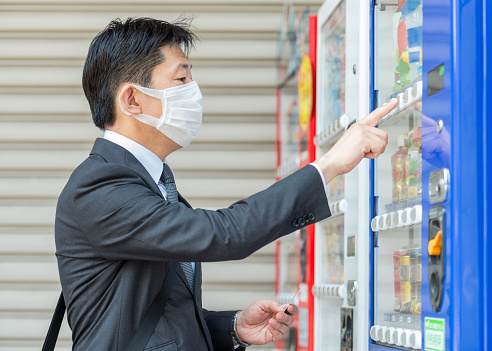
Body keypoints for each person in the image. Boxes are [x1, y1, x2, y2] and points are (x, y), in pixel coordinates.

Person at [54, 17, 396, 351]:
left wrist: (232, 327)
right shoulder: (100, 187)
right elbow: (224, 234)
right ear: (132, 100)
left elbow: (154, 314)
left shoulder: (150, 180)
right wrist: (329, 164)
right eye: (181, 78)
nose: (194, 92)